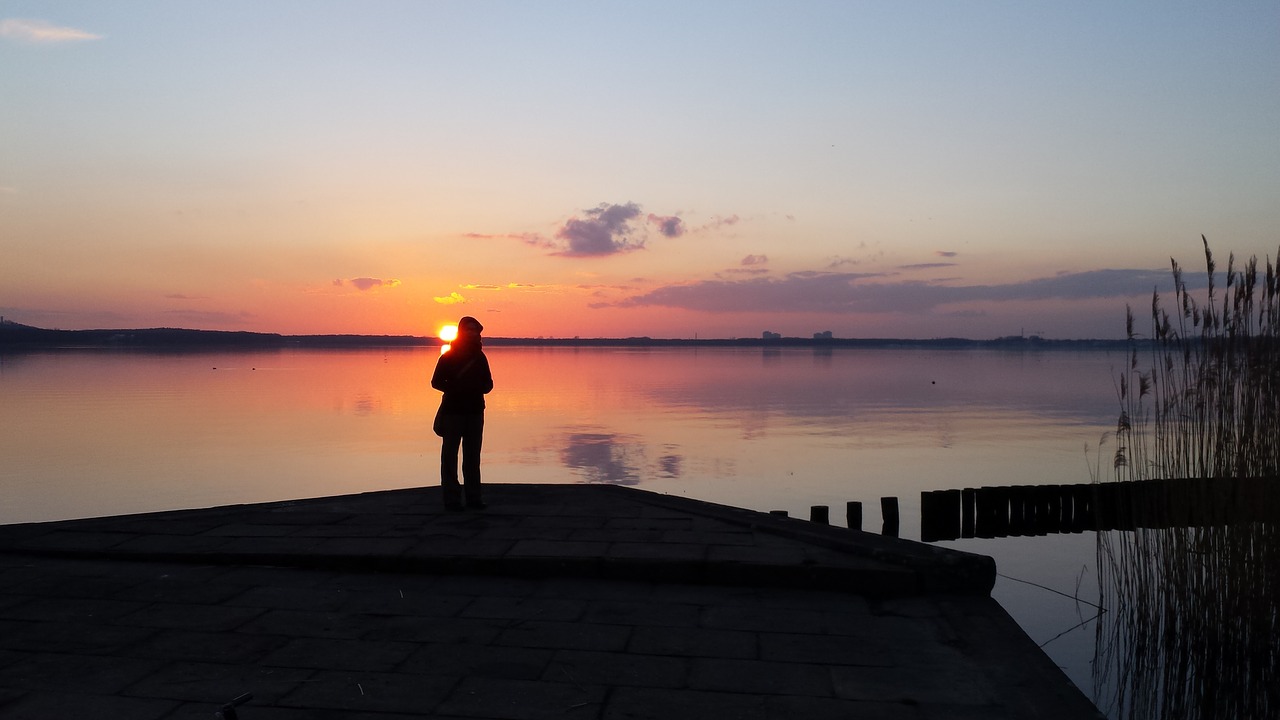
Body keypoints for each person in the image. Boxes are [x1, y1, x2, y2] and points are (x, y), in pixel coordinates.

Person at [431, 316, 493, 510]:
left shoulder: (480, 356)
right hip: (453, 412)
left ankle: (474, 498)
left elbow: (488, 383)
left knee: (472, 457)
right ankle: (451, 499)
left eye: (475, 330)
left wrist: (481, 387)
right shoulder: (448, 356)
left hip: (475, 411)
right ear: (461, 331)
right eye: (469, 329)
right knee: (449, 456)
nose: (472, 333)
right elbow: (436, 382)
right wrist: (456, 388)